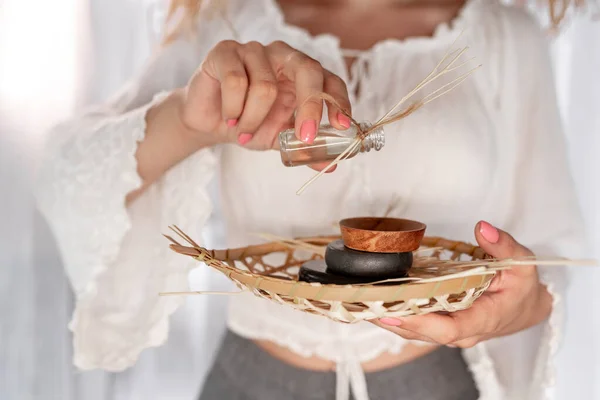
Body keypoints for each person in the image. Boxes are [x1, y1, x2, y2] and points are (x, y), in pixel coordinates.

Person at [35, 0, 585, 399]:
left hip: (436, 384)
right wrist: (188, 120)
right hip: (252, 383)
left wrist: (524, 305)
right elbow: (63, 176)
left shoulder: (504, 36)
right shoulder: (228, 24)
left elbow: (551, 256)